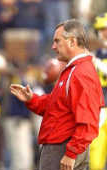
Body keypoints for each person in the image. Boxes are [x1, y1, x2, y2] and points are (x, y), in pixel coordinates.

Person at [10, 19, 104, 170]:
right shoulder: (74, 69)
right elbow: (56, 106)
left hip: (62, 148)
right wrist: (32, 99)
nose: (53, 46)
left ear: (72, 42)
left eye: (57, 41)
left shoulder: (81, 72)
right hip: (61, 146)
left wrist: (71, 153)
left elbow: (88, 120)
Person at [88, 13, 107, 170]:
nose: (105, 33)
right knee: (95, 160)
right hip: (100, 109)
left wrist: (96, 63)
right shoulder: (95, 55)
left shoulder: (95, 58)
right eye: (102, 30)